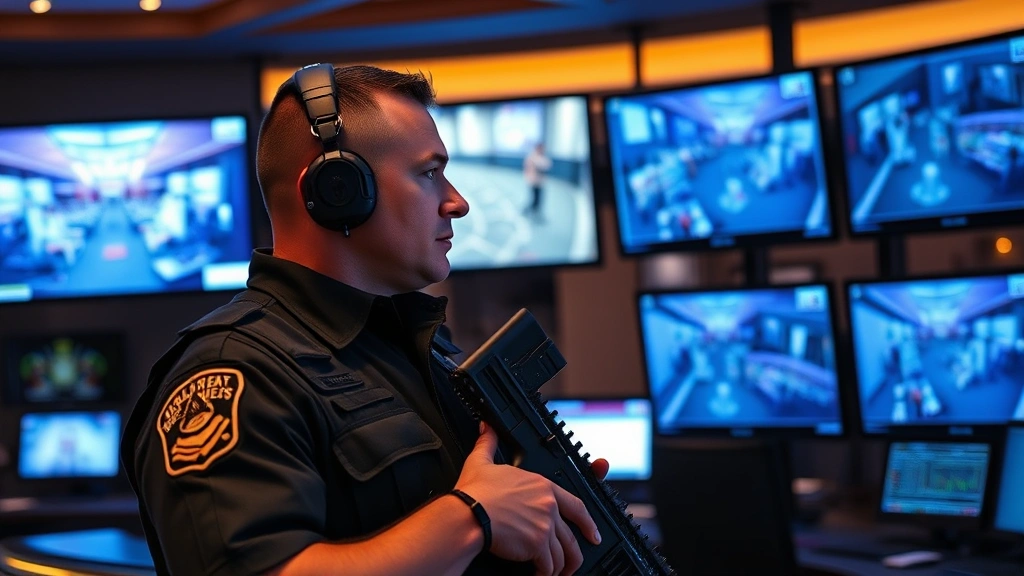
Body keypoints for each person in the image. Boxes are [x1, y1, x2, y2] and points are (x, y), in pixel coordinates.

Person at [121, 64, 606, 576]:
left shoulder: (423, 348)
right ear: (338, 189)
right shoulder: (232, 373)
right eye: (428, 173)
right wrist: (472, 518)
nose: (457, 202)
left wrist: (541, 504)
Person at [522, 142, 552, 218]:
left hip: (540, 181)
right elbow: (528, 167)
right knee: (534, 198)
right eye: (541, 148)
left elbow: (548, 165)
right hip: (533, 180)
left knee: (539, 198)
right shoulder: (532, 157)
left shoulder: (543, 157)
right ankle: (529, 210)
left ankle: (535, 211)